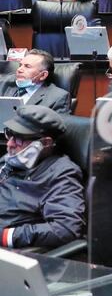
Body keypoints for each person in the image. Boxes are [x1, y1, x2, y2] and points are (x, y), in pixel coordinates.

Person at [0, 105, 85, 249]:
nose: (10, 144)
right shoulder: (11, 159)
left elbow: (65, 228)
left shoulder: (61, 174)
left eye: (19, 139)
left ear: (46, 143)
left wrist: (7, 236)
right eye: (10, 134)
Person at [0, 50, 70, 114]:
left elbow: (57, 126)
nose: (19, 70)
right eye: (20, 65)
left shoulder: (58, 98)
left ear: (43, 75)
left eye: (27, 66)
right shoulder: (4, 84)